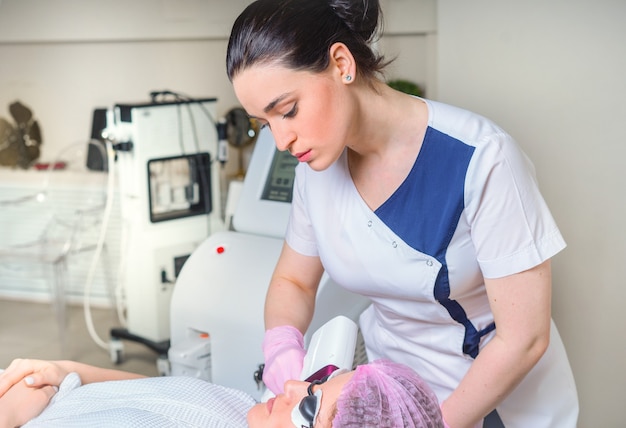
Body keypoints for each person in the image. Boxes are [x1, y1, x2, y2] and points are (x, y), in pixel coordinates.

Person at [226, 0, 579, 427]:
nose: (281, 140)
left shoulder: (481, 158)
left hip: (493, 395)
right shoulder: (316, 168)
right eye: (265, 123)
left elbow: (524, 339)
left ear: (341, 63)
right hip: (386, 395)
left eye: (288, 110)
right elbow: (294, 280)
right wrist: (282, 345)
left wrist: (433, 423)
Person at [0, 359, 442, 427]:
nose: (291, 386)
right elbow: (160, 391)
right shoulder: (246, 411)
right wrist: (66, 370)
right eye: (319, 377)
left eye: (309, 405)